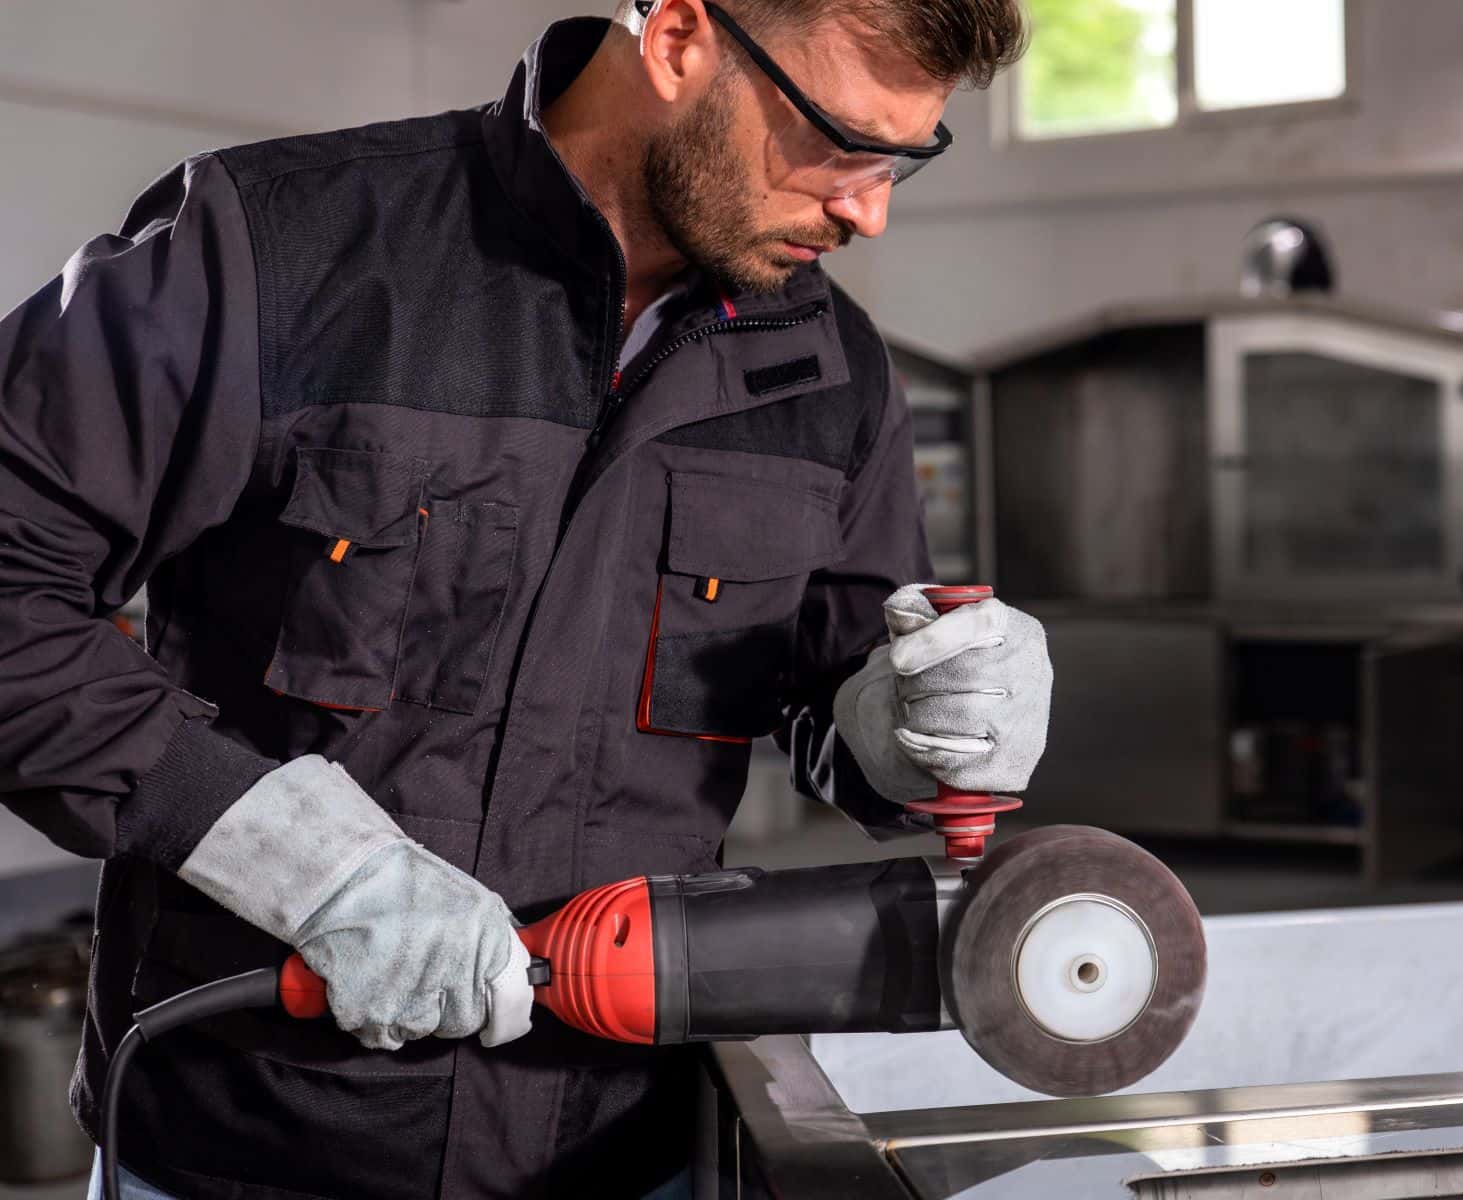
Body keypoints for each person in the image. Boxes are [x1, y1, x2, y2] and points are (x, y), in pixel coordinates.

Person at [0, 2, 1047, 1196]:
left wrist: (910, 727)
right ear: (679, 39)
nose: (869, 209)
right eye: (840, 142)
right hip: (250, 1141)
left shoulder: (832, 372)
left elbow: (832, 687)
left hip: (633, 1150)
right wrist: (292, 861)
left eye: (907, 159)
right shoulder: (280, 251)